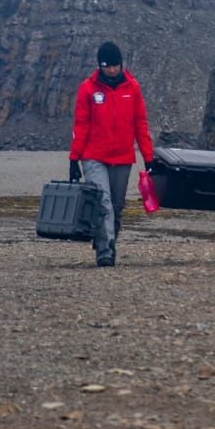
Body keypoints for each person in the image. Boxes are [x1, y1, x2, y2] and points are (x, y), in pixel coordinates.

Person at [69, 41, 154, 268]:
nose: (113, 70)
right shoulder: (88, 89)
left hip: (122, 157)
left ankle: (104, 239)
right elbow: (81, 125)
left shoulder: (132, 88)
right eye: (108, 66)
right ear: (100, 66)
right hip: (94, 156)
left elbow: (140, 124)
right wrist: (74, 158)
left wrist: (148, 156)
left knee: (116, 206)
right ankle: (106, 252)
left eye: (116, 66)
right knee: (103, 203)